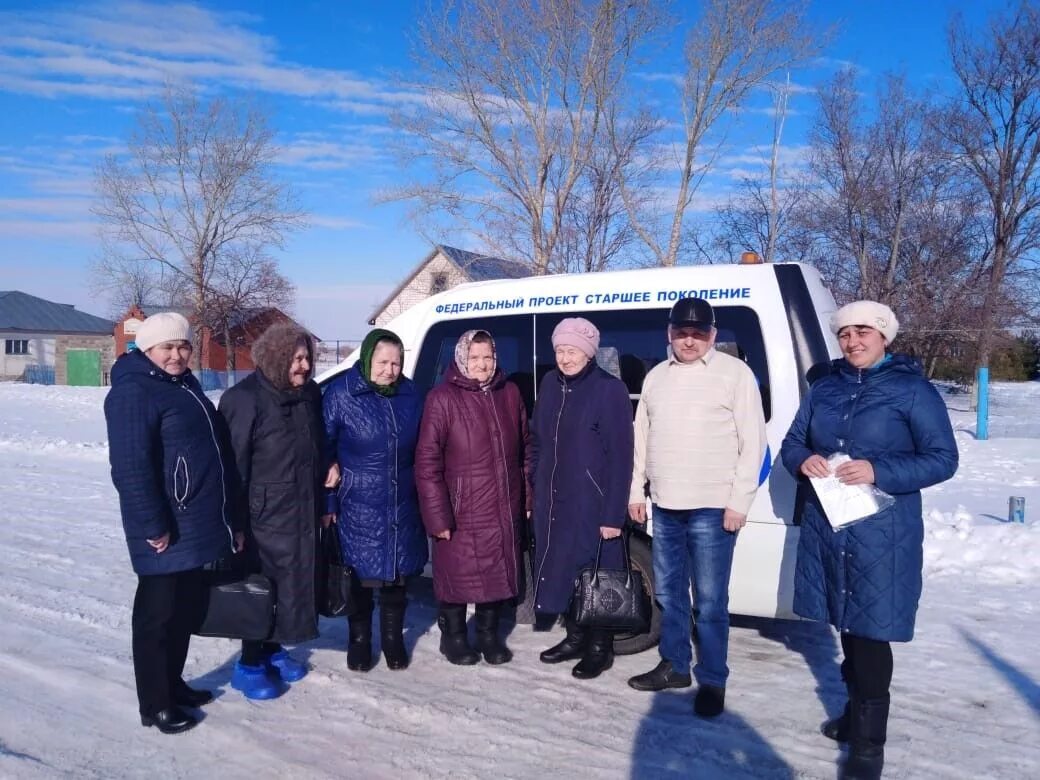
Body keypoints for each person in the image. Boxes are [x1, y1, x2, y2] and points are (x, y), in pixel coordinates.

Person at [780, 301, 957, 780]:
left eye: (864, 332)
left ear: (884, 337)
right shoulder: (825, 388)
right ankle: (853, 714)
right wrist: (803, 460)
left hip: (884, 531)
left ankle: (869, 746)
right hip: (829, 525)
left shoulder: (912, 390)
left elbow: (943, 459)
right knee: (846, 626)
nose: (853, 341)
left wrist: (879, 469)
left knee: (872, 633)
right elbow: (793, 442)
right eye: (845, 334)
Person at [626, 297, 767, 719]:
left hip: (713, 507)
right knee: (669, 594)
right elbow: (642, 439)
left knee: (709, 601)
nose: (689, 340)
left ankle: (713, 678)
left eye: (698, 332)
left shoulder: (735, 374)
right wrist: (636, 491)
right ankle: (674, 665)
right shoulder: (656, 378)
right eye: (682, 332)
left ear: (712, 335)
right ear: (670, 333)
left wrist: (739, 501)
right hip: (666, 504)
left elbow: (753, 443)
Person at [104, 311, 240, 734]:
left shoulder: (182, 384)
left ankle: (174, 685)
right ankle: (155, 704)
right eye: (168, 347)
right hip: (164, 526)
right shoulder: (134, 392)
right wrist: (152, 524)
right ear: (147, 349)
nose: (178, 354)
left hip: (193, 519)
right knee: (156, 617)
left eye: (183, 346)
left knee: (182, 612)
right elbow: (130, 467)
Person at [219, 322, 337, 699]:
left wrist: (327, 466)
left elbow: (317, 441)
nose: (303, 365)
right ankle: (248, 664)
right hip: (261, 516)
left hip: (301, 507)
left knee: (291, 585)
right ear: (276, 358)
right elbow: (231, 467)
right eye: (295, 358)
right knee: (261, 590)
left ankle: (271, 650)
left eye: (307, 357)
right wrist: (233, 523)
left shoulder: (309, 394)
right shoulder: (244, 399)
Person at [415, 330, 530, 665]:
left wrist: (526, 498)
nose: (482, 364)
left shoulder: (508, 393)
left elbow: (526, 450)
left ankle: (488, 636)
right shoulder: (442, 398)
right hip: (460, 508)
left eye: (488, 357)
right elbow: (427, 463)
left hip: (502, 503)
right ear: (462, 357)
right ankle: (452, 638)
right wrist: (437, 518)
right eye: (475, 357)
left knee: (494, 575)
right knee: (456, 578)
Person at [530, 317, 634, 680]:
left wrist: (613, 515)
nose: (564, 357)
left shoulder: (610, 390)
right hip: (553, 496)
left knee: (598, 574)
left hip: (592, 499)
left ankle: (598, 648)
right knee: (563, 569)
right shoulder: (549, 383)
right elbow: (538, 441)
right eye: (559, 350)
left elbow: (622, 457)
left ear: (589, 353)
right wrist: (535, 486)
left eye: (572, 350)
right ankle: (574, 636)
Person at [322, 328, 428, 671]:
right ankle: (360, 640)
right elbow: (322, 452)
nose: (390, 370)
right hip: (357, 504)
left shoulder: (411, 394)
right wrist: (328, 502)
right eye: (383, 362)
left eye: (396, 363)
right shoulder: (340, 394)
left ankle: (394, 639)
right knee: (360, 580)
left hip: (402, 500)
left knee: (397, 578)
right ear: (367, 358)